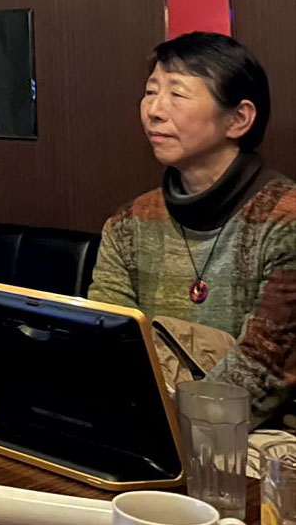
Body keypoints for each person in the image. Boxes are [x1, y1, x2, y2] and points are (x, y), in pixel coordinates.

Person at [88, 31, 296, 427]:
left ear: (238, 119)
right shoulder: (129, 223)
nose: (154, 110)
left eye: (177, 94)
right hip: (146, 428)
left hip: (254, 439)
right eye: (151, 92)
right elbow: (107, 339)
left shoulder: (286, 221)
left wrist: (167, 428)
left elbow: (263, 370)